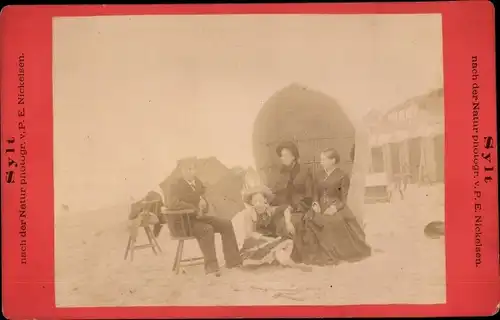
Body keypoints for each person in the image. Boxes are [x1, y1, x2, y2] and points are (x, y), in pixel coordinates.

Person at [168, 158, 242, 276]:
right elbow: (172, 204)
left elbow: (204, 201)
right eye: (187, 169)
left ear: (196, 170)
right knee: (207, 229)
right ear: (181, 171)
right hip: (183, 223)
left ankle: (233, 261)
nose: (190, 172)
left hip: (198, 218)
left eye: (192, 169)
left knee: (226, 224)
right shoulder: (176, 185)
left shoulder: (197, 183)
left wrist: (204, 204)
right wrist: (194, 206)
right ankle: (211, 267)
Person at [303, 147, 371, 265]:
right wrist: (315, 203)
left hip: (335, 205)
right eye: (321, 159)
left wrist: (334, 208)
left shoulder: (342, 175)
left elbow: (343, 198)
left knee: (332, 222)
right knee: (309, 219)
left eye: (324, 159)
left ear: (333, 160)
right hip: (320, 205)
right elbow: (315, 193)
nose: (321, 162)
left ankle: (334, 253)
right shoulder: (318, 175)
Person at [232, 183, 312, 271]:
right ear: (251, 202)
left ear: (265, 200)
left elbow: (286, 208)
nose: (258, 204)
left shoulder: (270, 210)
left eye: (260, 200)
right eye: (255, 201)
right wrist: (266, 239)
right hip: (256, 241)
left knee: (283, 245)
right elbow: (249, 233)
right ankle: (290, 264)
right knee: (274, 246)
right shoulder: (249, 213)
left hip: (272, 241)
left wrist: (288, 222)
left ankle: (292, 264)